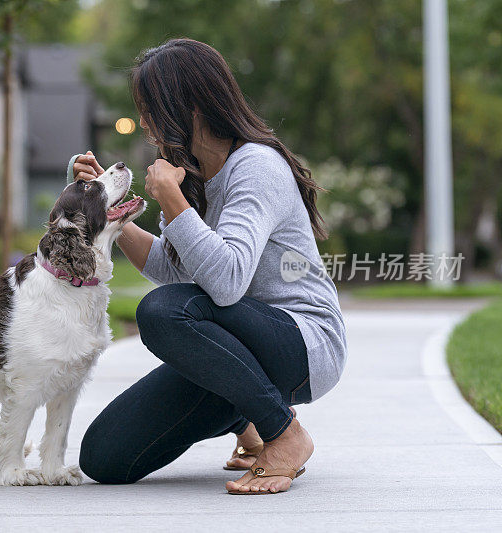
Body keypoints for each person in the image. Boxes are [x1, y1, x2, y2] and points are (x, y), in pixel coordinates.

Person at [69, 39, 347, 495]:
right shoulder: (189, 170)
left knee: (162, 311)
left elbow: (227, 281)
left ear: (190, 107)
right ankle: (247, 417)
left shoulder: (255, 166)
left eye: (150, 108)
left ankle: (284, 432)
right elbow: (173, 268)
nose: (143, 123)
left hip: (302, 343)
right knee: (105, 457)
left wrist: (173, 201)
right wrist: (110, 211)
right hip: (234, 345)